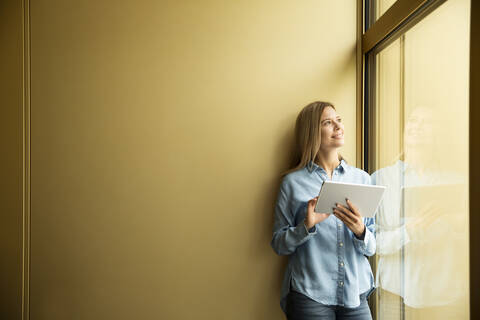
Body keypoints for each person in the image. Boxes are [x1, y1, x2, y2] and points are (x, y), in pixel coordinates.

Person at [270, 101, 376, 320]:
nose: (338, 127)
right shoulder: (292, 183)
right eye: (328, 123)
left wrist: (360, 231)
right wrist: (306, 227)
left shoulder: (362, 179)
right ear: (311, 133)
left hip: (356, 293)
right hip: (310, 295)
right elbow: (279, 244)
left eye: (339, 120)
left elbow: (372, 247)